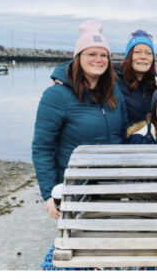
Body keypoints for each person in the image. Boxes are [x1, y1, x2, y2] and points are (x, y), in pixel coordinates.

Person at [32, 20, 127, 219]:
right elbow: (42, 148)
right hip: (76, 187)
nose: (98, 60)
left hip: (111, 184)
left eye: (103, 55)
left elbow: (123, 133)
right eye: (91, 54)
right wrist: (49, 194)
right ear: (78, 57)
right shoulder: (56, 95)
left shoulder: (114, 90)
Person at [119, 29, 157, 125]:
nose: (143, 57)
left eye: (148, 53)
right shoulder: (114, 81)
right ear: (129, 56)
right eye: (137, 52)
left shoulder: (153, 85)